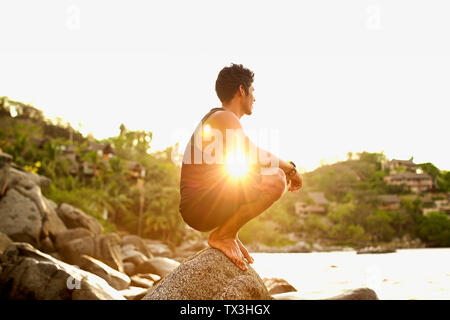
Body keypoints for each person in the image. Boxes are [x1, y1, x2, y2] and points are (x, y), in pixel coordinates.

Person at [179, 63, 302, 271]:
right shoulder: (223, 117)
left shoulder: (219, 118)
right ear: (241, 90)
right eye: (252, 91)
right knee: (276, 180)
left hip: (201, 204)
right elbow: (252, 154)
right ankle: (222, 236)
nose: (255, 97)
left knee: (261, 176)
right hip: (198, 205)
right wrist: (290, 168)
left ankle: (228, 233)